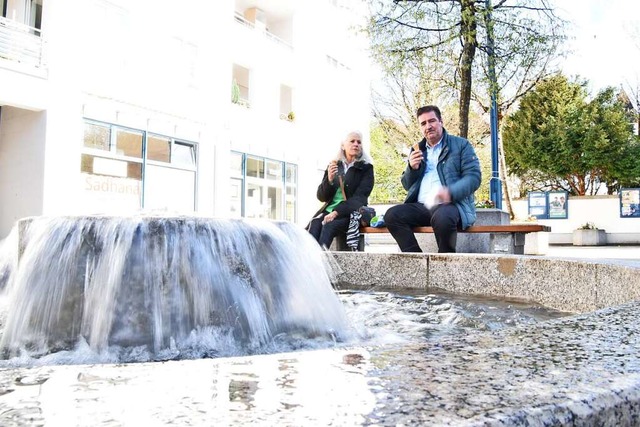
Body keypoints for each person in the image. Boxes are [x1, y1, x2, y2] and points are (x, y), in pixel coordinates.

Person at [384, 105, 481, 253]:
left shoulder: (461, 145)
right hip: (422, 206)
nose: (428, 126)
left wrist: (450, 192)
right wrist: (412, 168)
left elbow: (474, 177)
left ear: (441, 121)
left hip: (450, 205)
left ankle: (445, 262)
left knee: (443, 218)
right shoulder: (417, 149)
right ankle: (416, 261)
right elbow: (407, 185)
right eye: (423, 123)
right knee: (392, 215)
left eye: (432, 121)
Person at [307, 131, 374, 250]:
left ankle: (322, 263)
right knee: (315, 222)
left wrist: (336, 212)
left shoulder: (366, 168)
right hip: (329, 212)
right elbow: (321, 197)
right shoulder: (334, 165)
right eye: (352, 141)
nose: (356, 144)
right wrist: (329, 180)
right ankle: (309, 260)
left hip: (350, 213)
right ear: (343, 145)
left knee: (329, 226)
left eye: (359, 142)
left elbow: (360, 198)